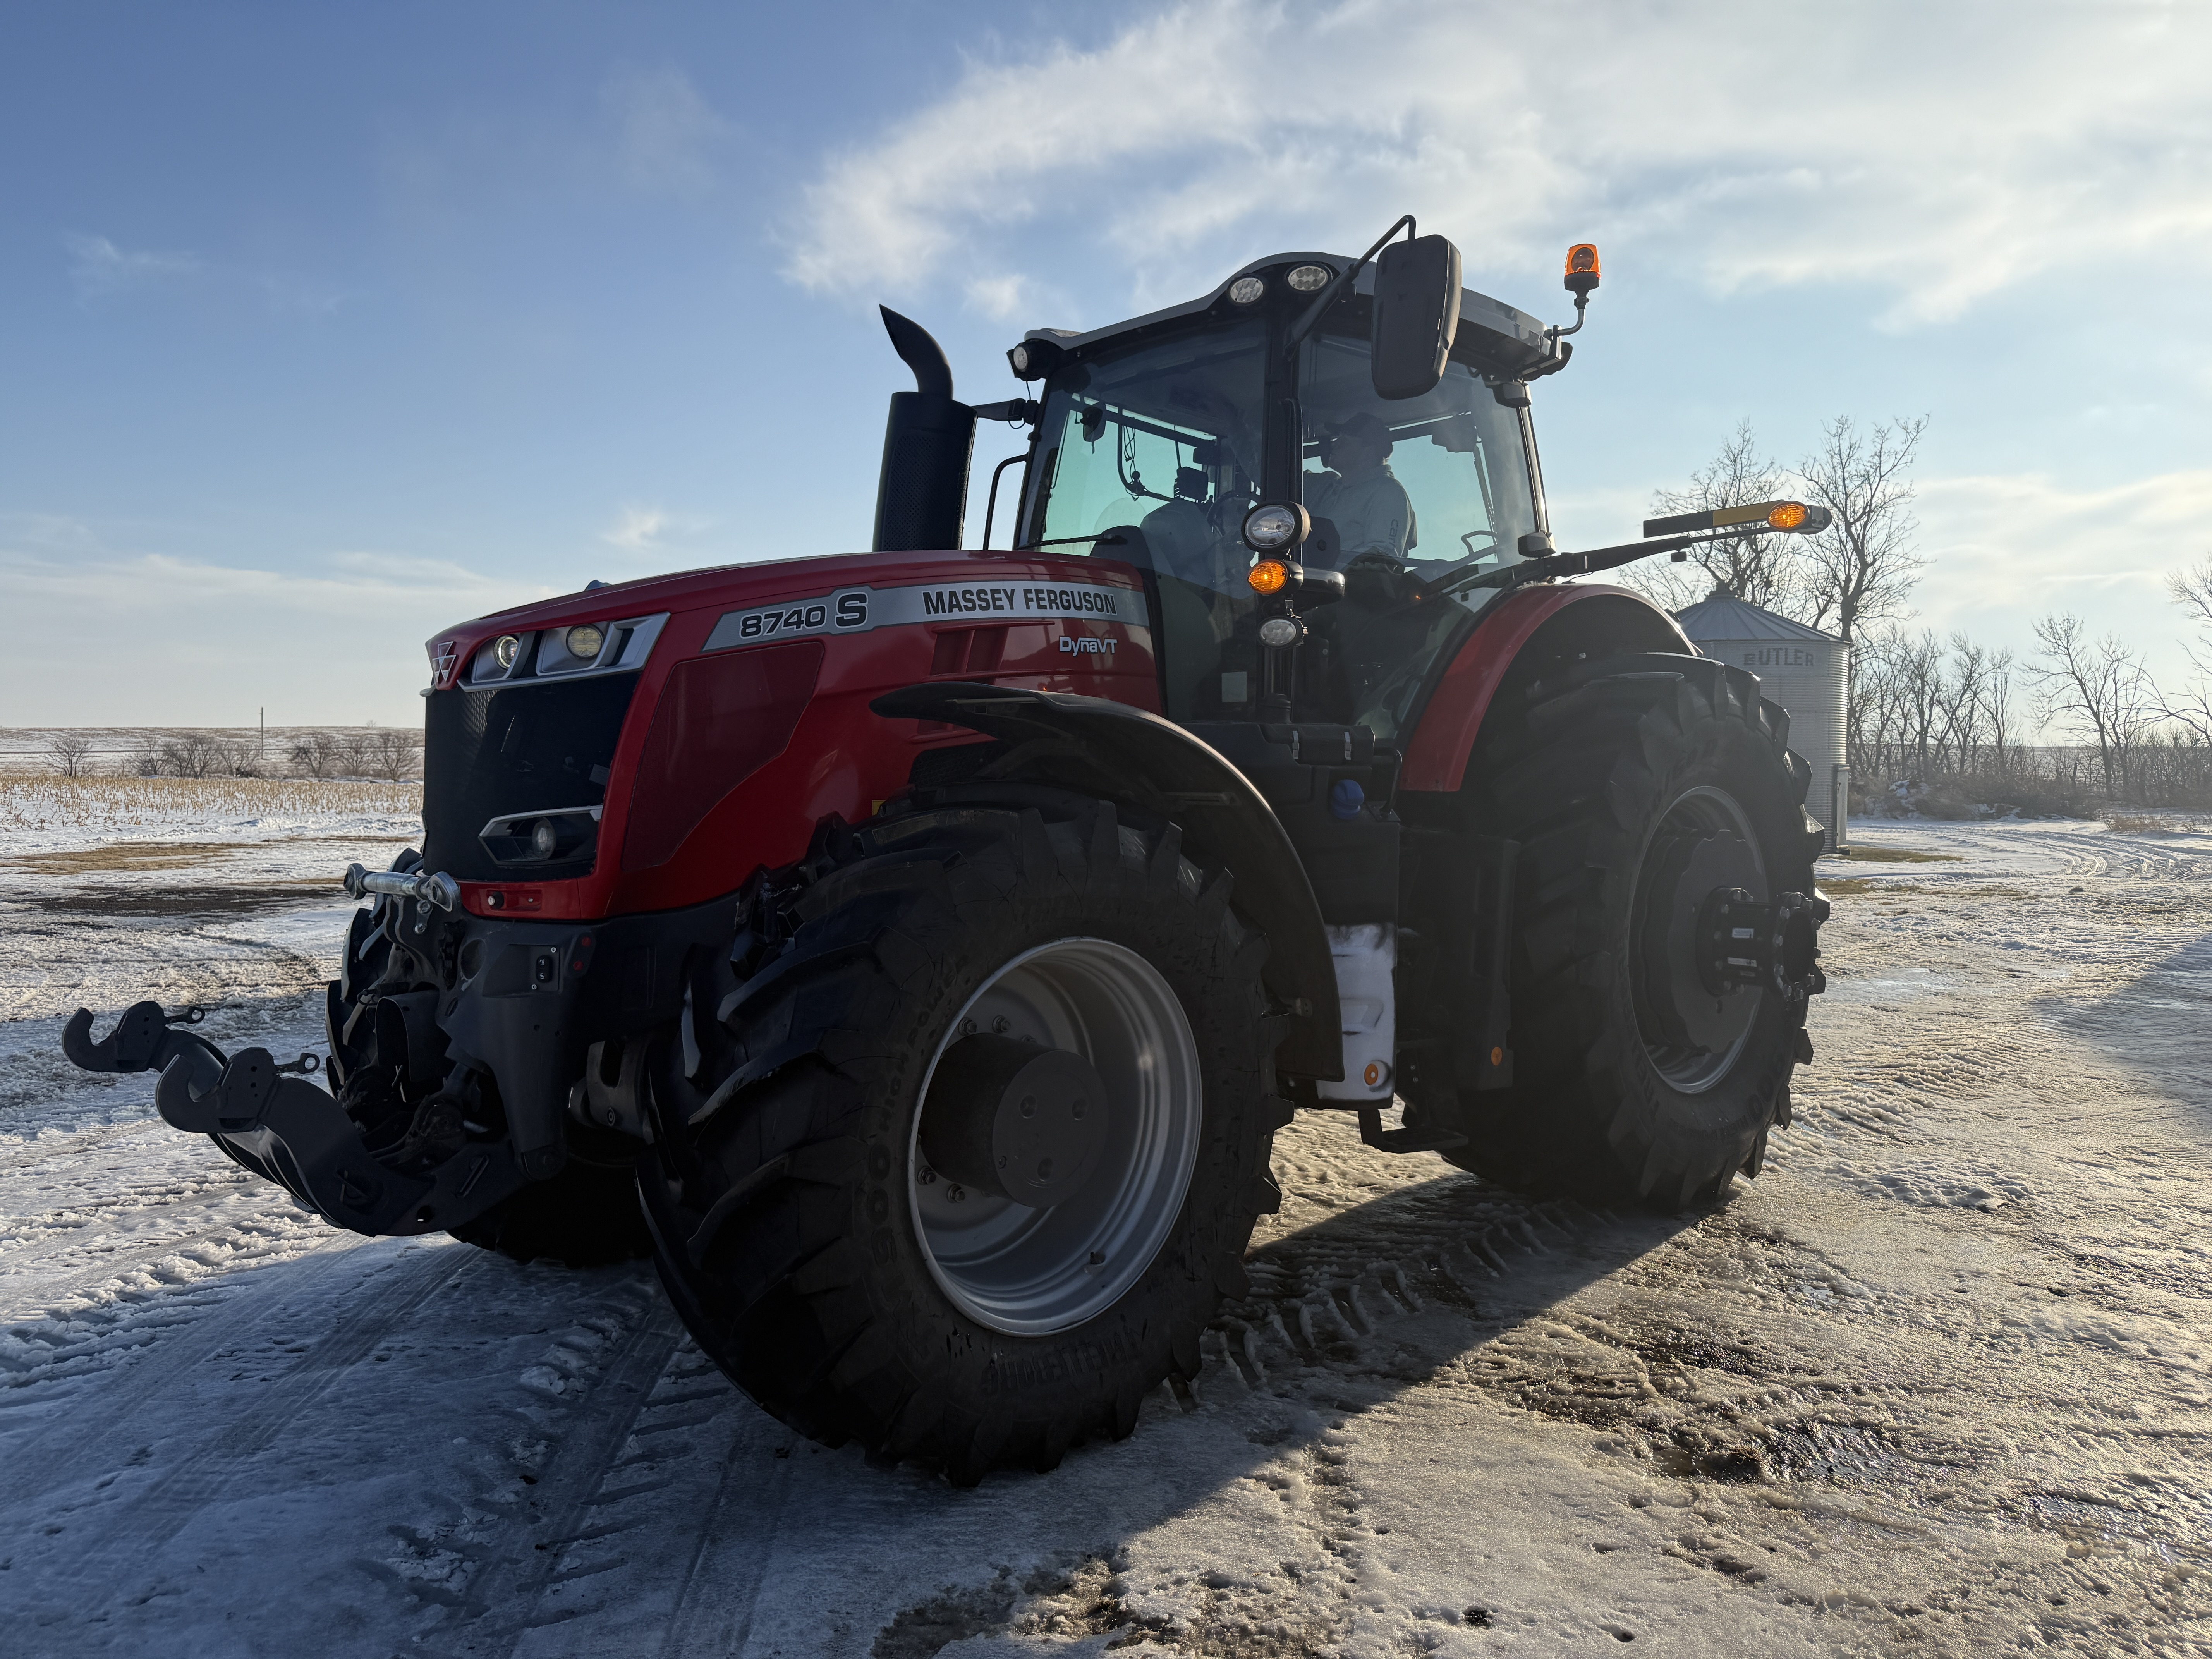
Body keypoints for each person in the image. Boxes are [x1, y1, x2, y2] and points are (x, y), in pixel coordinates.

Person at [1305, 411, 1413, 567]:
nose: (1334, 445)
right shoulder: (1325, 485)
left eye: (1344, 441)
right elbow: (1280, 475)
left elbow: (1380, 560)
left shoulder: (1388, 493)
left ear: (1369, 450)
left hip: (1334, 589)